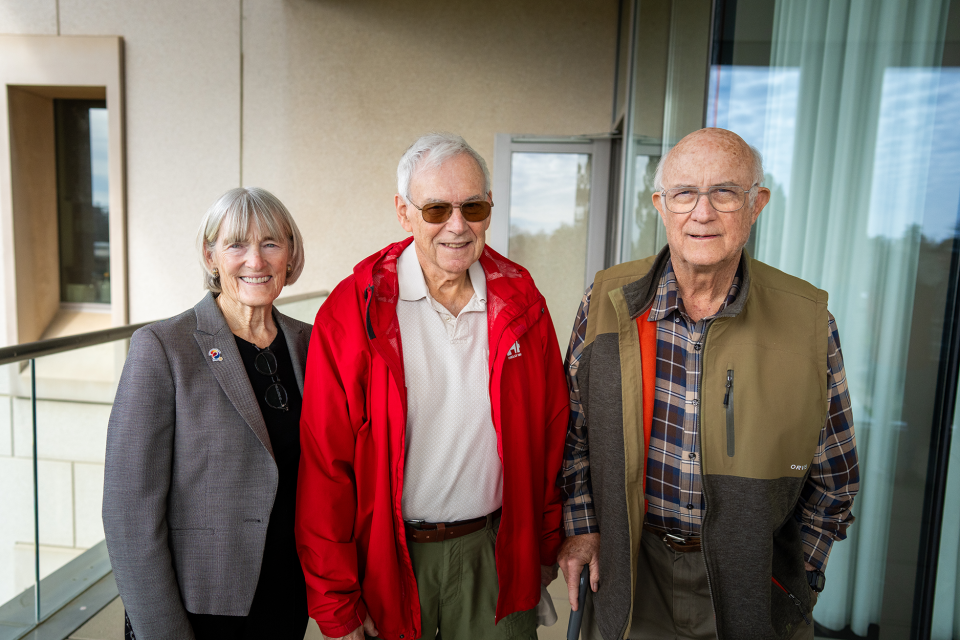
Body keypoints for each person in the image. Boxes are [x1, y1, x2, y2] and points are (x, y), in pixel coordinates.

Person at [556, 128, 860, 640]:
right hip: (632, 571)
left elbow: (836, 478)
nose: (702, 213)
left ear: (756, 203)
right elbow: (573, 436)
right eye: (684, 194)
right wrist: (583, 527)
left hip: (752, 584)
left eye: (724, 192)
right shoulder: (607, 301)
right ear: (660, 204)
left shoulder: (806, 320)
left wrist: (797, 576)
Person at [296, 132, 568, 640]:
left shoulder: (523, 302)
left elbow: (550, 436)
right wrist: (335, 599)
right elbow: (325, 466)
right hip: (391, 560)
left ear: (490, 208)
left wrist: (545, 545)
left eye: (474, 206)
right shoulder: (354, 310)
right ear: (403, 212)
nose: (458, 226)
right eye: (437, 209)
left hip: (495, 551)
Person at [102, 187, 311, 640]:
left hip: (288, 599)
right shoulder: (163, 348)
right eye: (237, 244)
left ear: (290, 255)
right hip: (201, 610)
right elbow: (128, 515)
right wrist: (161, 631)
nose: (255, 261)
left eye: (271, 243)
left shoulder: (311, 345)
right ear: (210, 255)